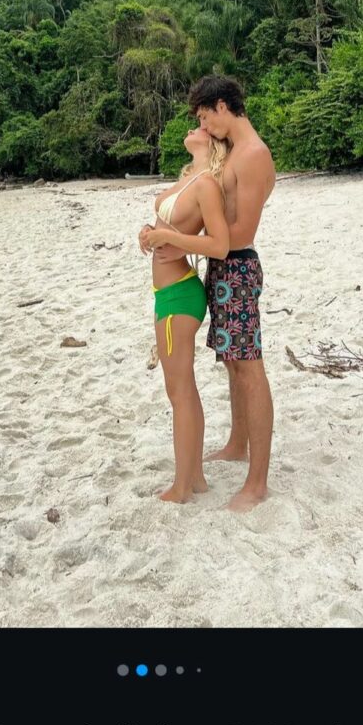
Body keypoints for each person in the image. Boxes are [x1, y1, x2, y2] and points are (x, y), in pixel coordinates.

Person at [143, 75, 276, 512]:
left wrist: (181, 235)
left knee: (249, 369)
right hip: (223, 267)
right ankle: (239, 444)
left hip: (236, 266)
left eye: (204, 117)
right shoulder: (235, 153)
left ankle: (257, 482)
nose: (204, 125)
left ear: (222, 107)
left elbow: (238, 234)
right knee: (233, 366)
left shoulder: (254, 155)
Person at [139, 128, 230, 504]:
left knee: (179, 391)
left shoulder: (207, 184)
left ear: (212, 144)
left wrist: (172, 240)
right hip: (167, 293)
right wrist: (150, 233)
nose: (194, 127)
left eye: (201, 127)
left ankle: (181, 487)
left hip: (180, 295)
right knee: (182, 388)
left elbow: (219, 245)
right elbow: (170, 230)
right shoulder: (189, 177)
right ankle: (195, 476)